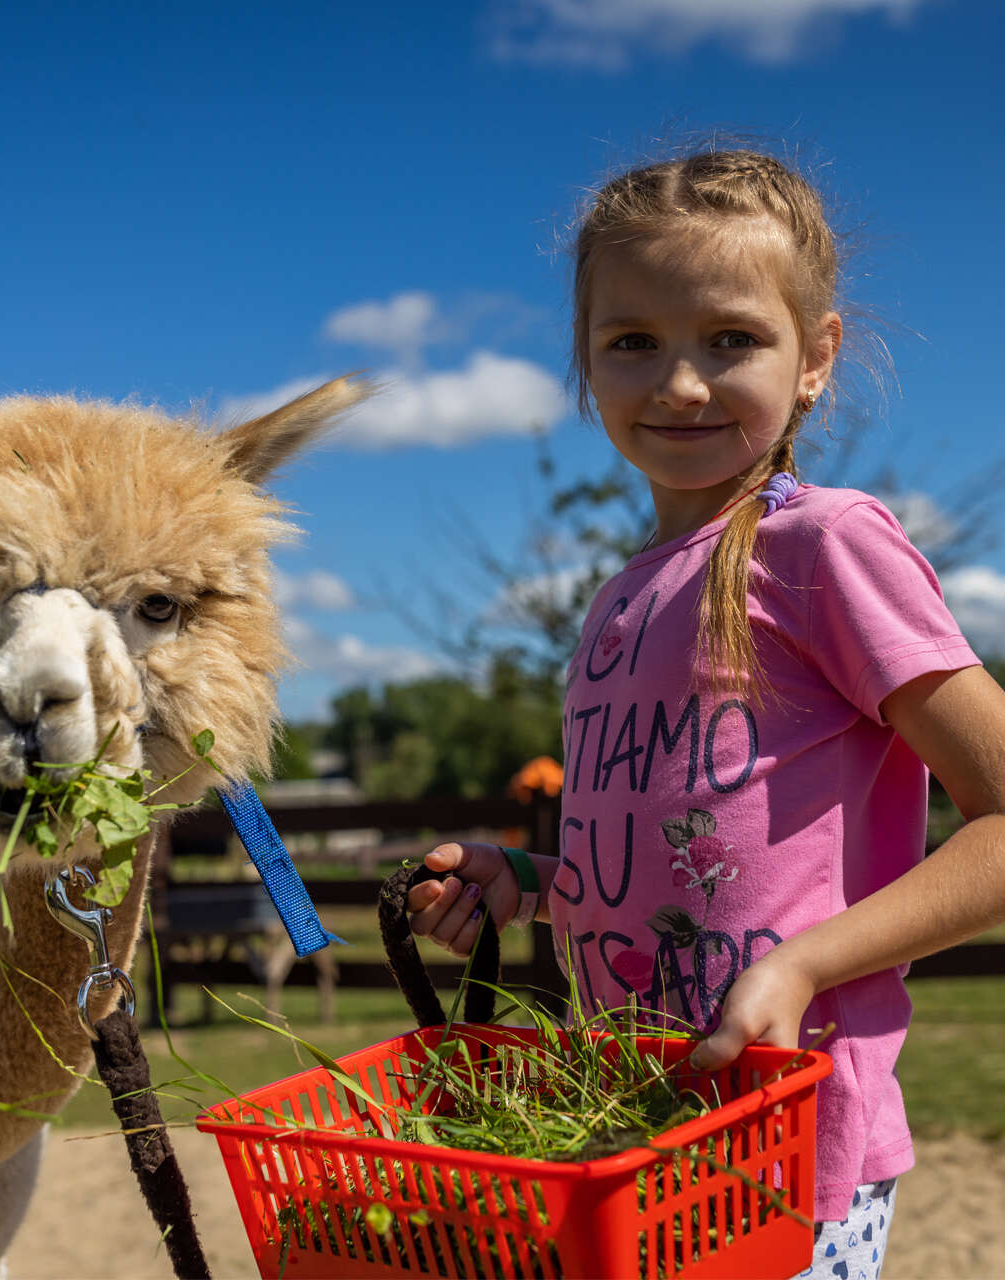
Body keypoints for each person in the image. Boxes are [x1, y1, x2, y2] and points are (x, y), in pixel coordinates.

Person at [407, 148, 1005, 1279]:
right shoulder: (616, 596)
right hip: (632, 1128)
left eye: (729, 337)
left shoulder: (822, 546)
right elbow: (678, 848)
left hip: (782, 1148)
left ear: (815, 356)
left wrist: (800, 967)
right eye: (630, 341)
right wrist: (528, 882)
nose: (678, 381)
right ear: (585, 368)